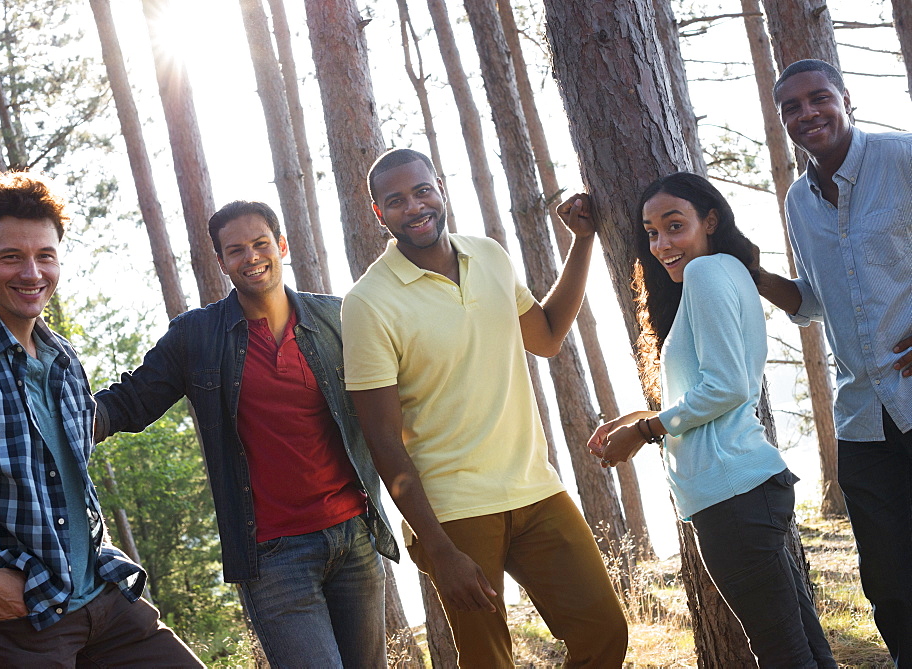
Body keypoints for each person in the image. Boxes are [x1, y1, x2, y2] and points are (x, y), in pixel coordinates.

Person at [342, 148, 627, 668]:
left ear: (441, 187)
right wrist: (439, 550)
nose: (415, 207)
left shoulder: (489, 255)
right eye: (396, 200)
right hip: (452, 510)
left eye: (422, 190)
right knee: (488, 662)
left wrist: (582, 241)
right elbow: (383, 441)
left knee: (604, 631)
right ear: (379, 214)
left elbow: (544, 336)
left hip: (533, 487)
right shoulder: (368, 303)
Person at [0, 172, 202, 667]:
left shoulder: (62, 358)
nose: (32, 273)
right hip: (15, 623)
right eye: (11, 257)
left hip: (105, 600)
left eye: (45, 256)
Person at [93, 200, 398, 667]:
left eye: (260, 244)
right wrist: (43, 420)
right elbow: (126, 405)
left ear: (282, 245)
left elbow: (395, 396)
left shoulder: (336, 319)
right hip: (275, 557)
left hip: (354, 537)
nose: (251, 257)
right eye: (235, 250)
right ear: (221, 262)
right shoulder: (197, 336)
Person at [589, 172, 836, 666]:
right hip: (743, 491)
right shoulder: (724, 273)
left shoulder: (706, 273)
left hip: (733, 496)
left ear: (711, 220)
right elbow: (718, 386)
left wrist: (645, 431)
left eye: (674, 226)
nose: (661, 244)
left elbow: (727, 388)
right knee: (801, 645)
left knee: (783, 651)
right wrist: (648, 417)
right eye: (651, 232)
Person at [755, 58, 912, 662]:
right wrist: (754, 270)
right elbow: (815, 299)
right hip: (862, 419)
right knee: (890, 575)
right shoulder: (799, 201)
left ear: (847, 99)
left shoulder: (901, 160)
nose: (807, 113)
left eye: (818, 98)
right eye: (791, 107)